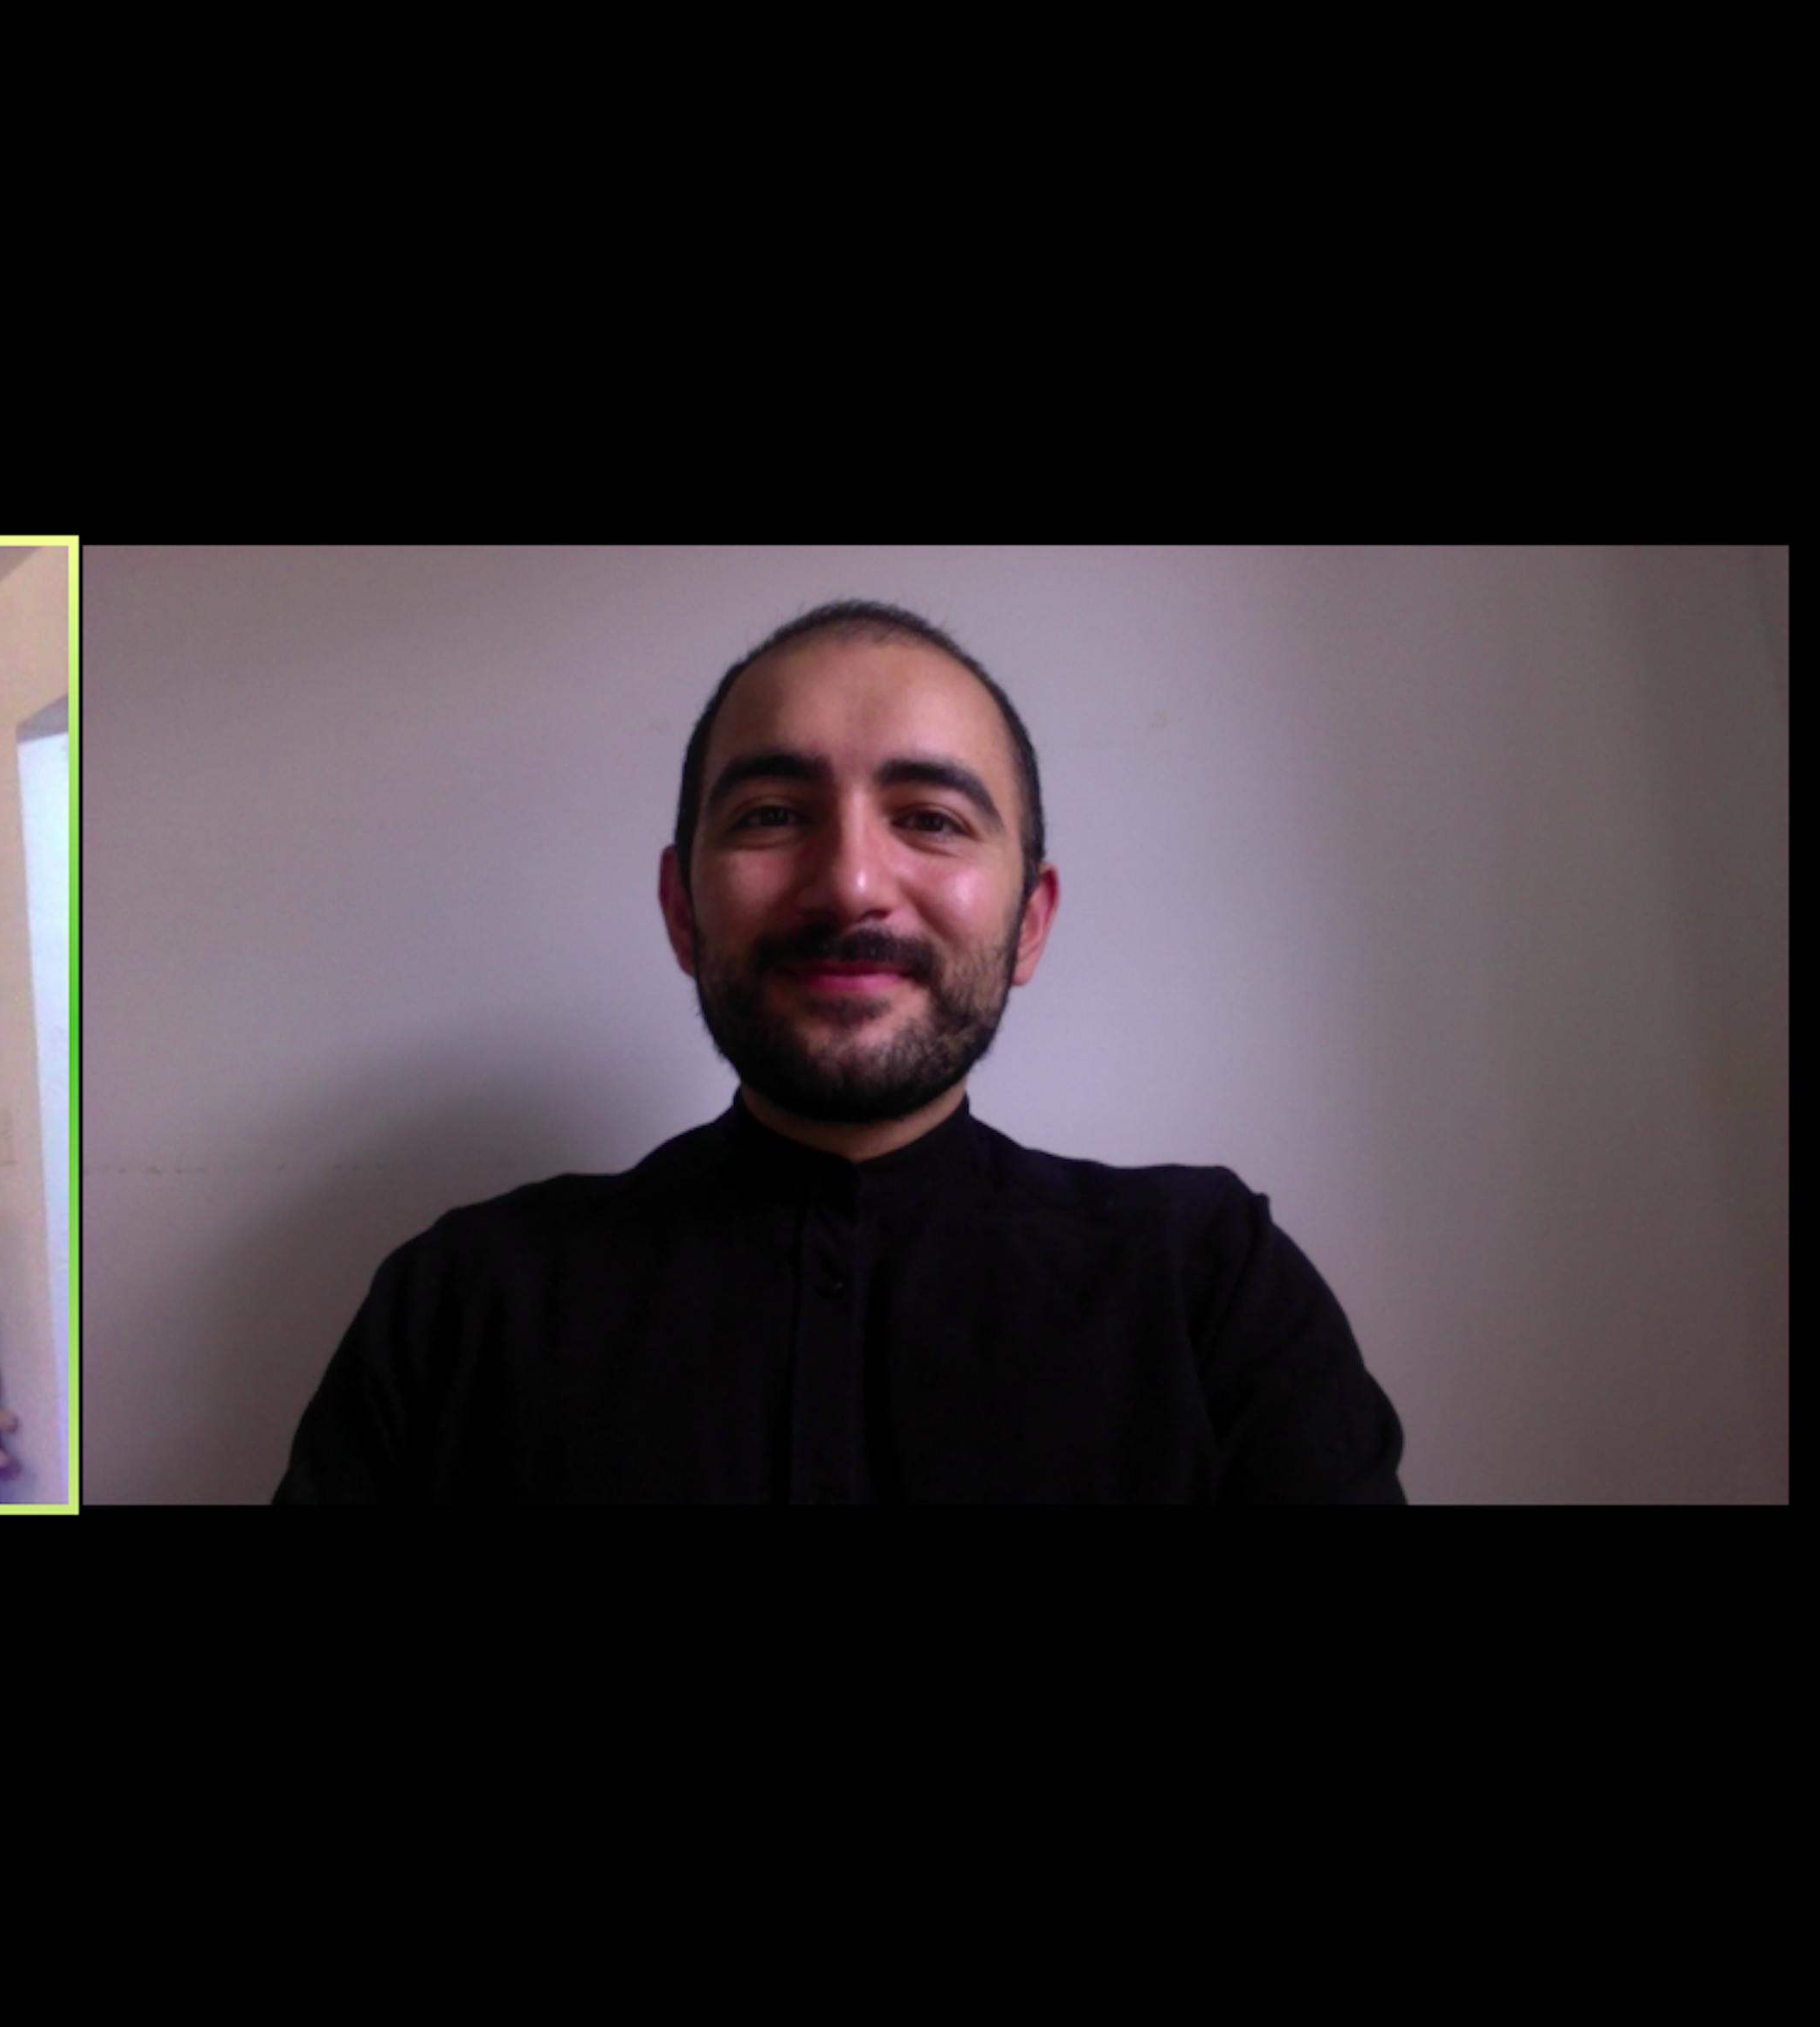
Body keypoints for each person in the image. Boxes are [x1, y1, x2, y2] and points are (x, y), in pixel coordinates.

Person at [275, 600, 1406, 1504]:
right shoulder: (461, 1304)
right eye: (771, 814)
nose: (851, 882)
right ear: (680, 910)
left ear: (1029, 924)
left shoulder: (1211, 1285)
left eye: (930, 818)